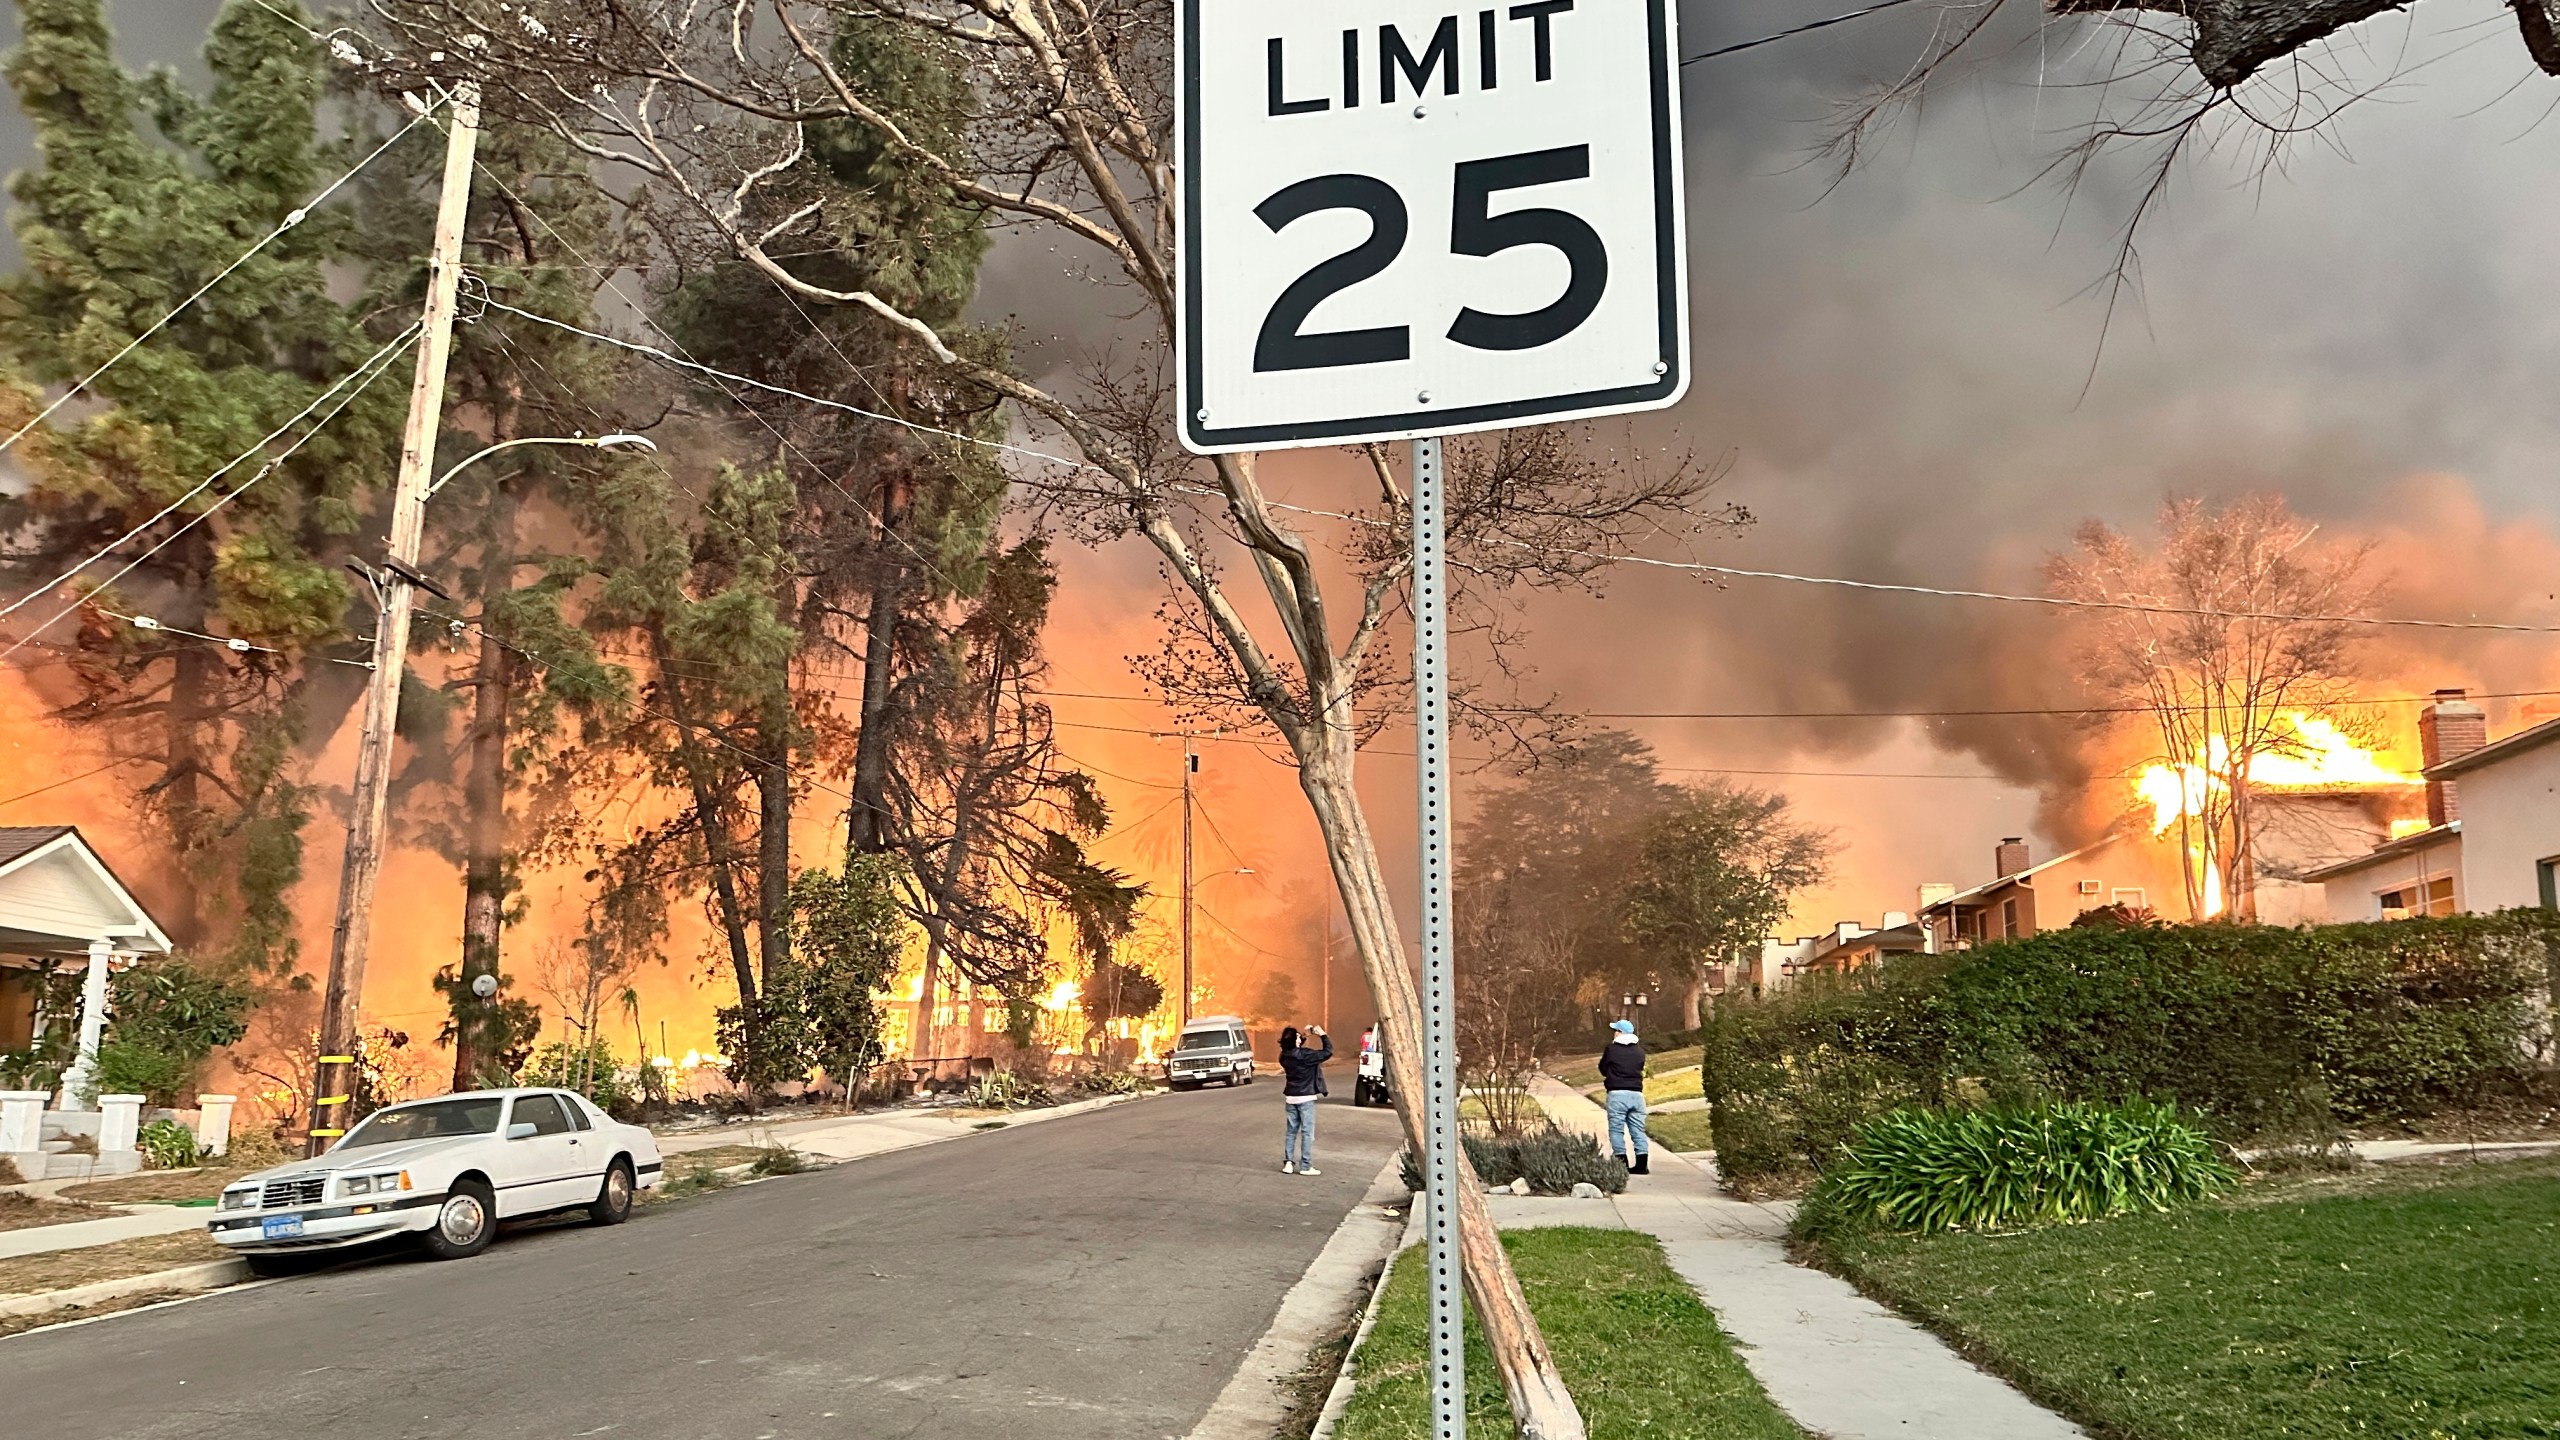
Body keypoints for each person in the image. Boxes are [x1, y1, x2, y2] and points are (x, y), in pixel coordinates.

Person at [1277, 1023, 1332, 1175]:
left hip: (1291, 1098)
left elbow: (1294, 1048)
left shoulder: (1284, 1056)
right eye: (1297, 1037)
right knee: (1307, 1133)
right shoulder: (1306, 1055)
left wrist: (1304, 1035)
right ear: (1295, 1041)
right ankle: (1305, 1166)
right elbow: (1327, 1052)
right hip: (1306, 1098)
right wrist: (1322, 1035)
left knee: (1291, 1132)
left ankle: (1288, 1163)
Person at [1599, 1018, 1649, 1175]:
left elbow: (1603, 1067)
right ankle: (1642, 1164)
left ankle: (1622, 1163)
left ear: (1620, 1033)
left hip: (1617, 1094)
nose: (1614, 1033)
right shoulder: (1640, 1051)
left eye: (1616, 1030)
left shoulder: (1611, 1049)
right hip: (1636, 1094)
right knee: (1638, 1130)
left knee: (1616, 1129)